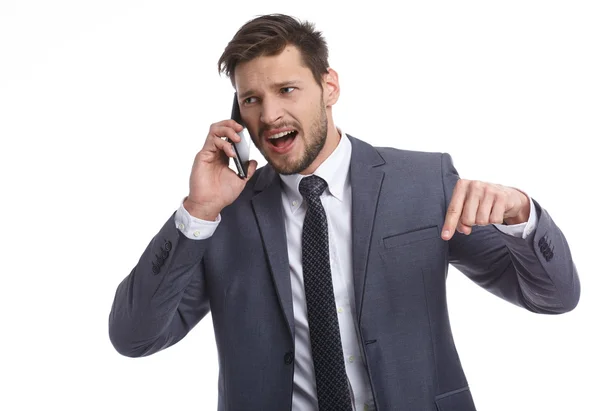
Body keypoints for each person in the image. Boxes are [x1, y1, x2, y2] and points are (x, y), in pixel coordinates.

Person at [108, 13, 580, 411]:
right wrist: (198, 211)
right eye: (251, 99)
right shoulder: (223, 216)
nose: (269, 114)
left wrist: (522, 215)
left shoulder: (420, 184)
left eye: (287, 89)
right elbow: (135, 338)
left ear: (328, 86)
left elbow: (553, 297)